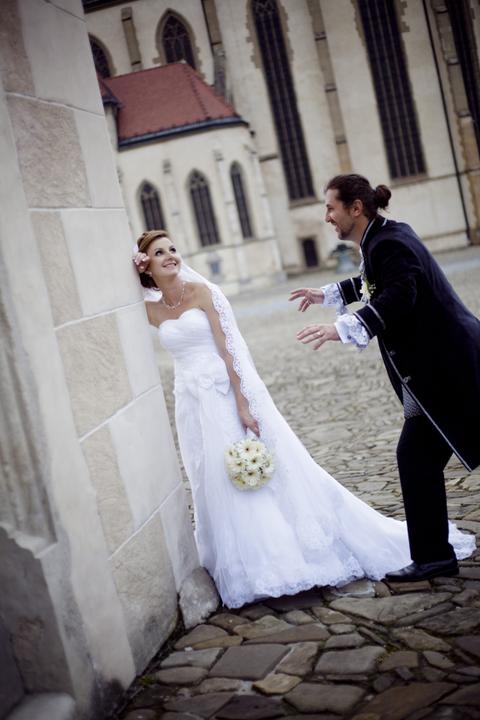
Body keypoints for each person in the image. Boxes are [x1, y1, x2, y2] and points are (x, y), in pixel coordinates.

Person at [133, 229, 474, 608]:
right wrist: (131, 266)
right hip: (190, 403)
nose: (170, 256)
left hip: (225, 394)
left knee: (252, 474)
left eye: (172, 248)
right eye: (158, 253)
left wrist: (244, 403)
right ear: (146, 266)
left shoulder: (203, 293)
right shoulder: (150, 308)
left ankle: (274, 559)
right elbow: (115, 300)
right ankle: (233, 561)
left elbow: (230, 351)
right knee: (210, 474)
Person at [291, 173, 480, 583]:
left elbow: (399, 295)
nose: (327, 217)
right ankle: (434, 556)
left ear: (355, 208)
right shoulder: (383, 237)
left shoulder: (388, 242)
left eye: (331, 208)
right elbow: (374, 281)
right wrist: (328, 294)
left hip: (450, 369)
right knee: (417, 458)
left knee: (415, 457)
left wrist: (341, 328)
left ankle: (434, 557)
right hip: (441, 371)